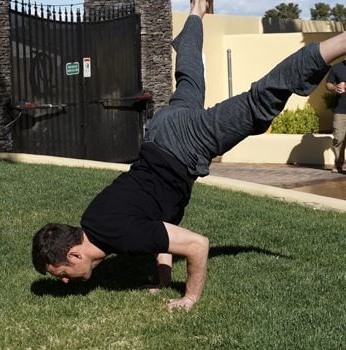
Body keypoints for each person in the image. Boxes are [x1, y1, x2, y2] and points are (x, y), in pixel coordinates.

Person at [32, 0, 345, 310]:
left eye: (61, 273)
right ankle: (196, 11)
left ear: (74, 255)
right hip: (160, 133)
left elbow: (197, 245)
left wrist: (189, 297)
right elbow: (155, 223)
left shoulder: (121, 236)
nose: (64, 280)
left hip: (186, 144)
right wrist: (163, 278)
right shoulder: (93, 220)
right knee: (189, 75)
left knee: (262, 100)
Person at [326, 59, 346, 173]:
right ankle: (339, 163)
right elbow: (328, 84)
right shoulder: (337, 67)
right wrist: (335, 87)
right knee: (338, 137)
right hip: (340, 110)